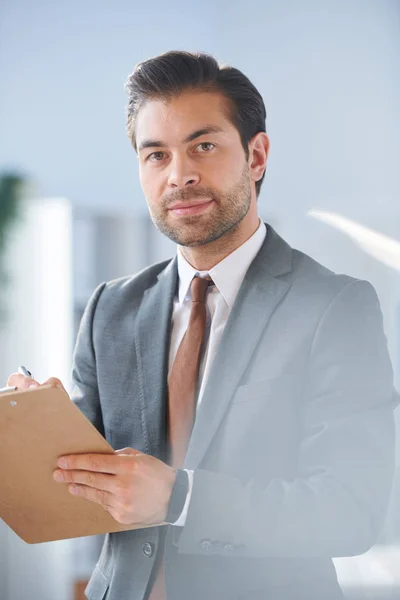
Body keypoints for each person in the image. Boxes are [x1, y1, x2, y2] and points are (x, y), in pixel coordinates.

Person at [8, 51, 397, 600]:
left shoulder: (334, 307)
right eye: (156, 155)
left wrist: (180, 498)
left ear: (256, 155)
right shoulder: (110, 309)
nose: (179, 174)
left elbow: (351, 511)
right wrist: (34, 433)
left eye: (203, 146)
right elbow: (84, 491)